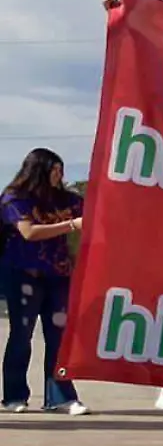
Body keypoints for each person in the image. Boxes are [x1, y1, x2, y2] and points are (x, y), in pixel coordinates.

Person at [1, 148, 86, 415]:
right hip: (22, 275)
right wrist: (72, 225)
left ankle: (60, 397)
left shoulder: (68, 200)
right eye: (54, 170)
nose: (59, 175)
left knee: (59, 338)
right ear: (38, 170)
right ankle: (14, 396)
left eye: (61, 170)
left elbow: (100, 208)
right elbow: (28, 232)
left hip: (58, 276)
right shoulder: (14, 199)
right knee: (21, 335)